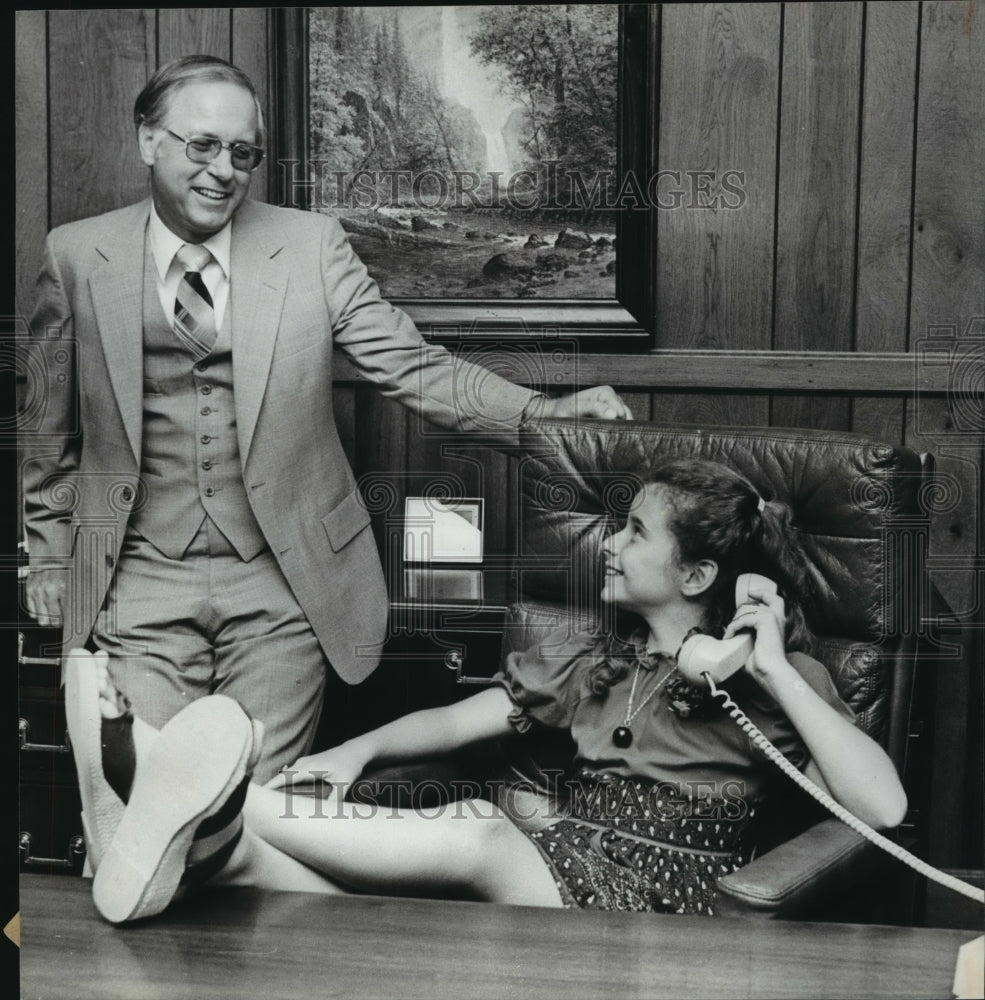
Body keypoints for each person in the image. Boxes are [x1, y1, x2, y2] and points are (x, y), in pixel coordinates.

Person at [19, 53, 633, 794]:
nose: (224, 170)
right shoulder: (78, 254)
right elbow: (46, 427)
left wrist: (543, 414)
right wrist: (51, 557)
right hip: (137, 575)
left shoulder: (311, 246)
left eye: (242, 153)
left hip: (284, 582)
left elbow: (412, 365)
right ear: (149, 140)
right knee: (148, 796)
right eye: (202, 145)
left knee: (253, 808)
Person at [67, 458, 907, 923]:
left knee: (473, 830)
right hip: (571, 860)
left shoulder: (777, 681)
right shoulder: (593, 663)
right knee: (303, 880)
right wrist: (354, 750)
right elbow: (456, 720)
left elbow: (882, 809)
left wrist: (764, 669)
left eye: (634, 533)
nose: (610, 544)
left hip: (661, 908)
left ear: (694, 573)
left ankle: (164, 781)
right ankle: (212, 845)